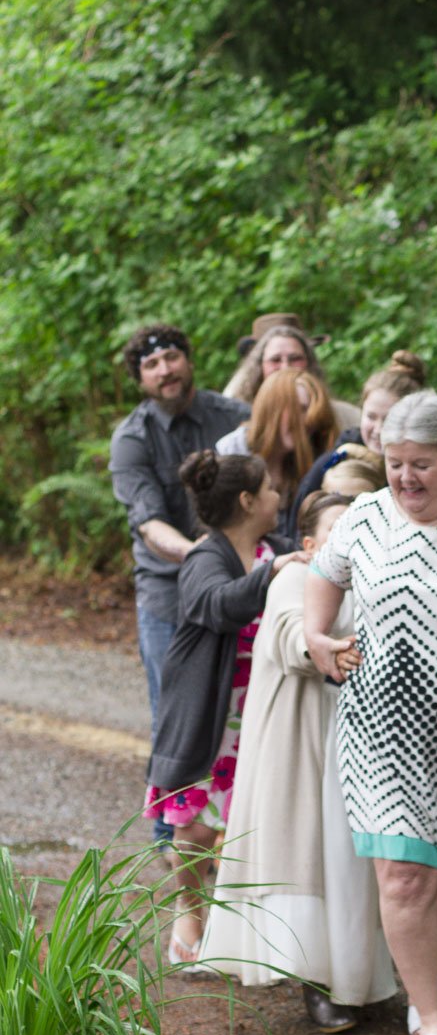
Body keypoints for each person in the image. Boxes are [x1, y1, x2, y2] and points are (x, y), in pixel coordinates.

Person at [304, 390, 437, 1035]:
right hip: (381, 726)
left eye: (421, 466)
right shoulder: (363, 517)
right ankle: (432, 1017)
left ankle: (418, 979)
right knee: (405, 878)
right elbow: (321, 582)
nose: (407, 479)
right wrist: (316, 637)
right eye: (394, 465)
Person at [200, 491, 396, 1030]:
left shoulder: (375, 581)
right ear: (310, 543)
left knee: (355, 867)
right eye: (336, 529)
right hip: (307, 742)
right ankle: (317, 981)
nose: (348, 540)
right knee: (315, 857)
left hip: (362, 744)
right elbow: (289, 635)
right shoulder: (294, 578)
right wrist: (327, 648)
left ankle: (362, 979)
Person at [145, 451, 307, 965]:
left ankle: (245, 934)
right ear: (247, 500)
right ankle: (190, 913)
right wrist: (272, 573)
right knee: (193, 829)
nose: (279, 498)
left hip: (262, 717)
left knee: (250, 827)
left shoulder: (274, 549)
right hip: (210, 717)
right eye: (271, 490)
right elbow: (217, 605)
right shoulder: (204, 558)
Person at [109, 325, 249, 843]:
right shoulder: (132, 437)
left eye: (171, 357)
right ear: (140, 378)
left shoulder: (233, 418)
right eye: (152, 364)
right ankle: (173, 840)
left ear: (189, 360)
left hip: (239, 589)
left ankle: (235, 834)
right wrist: (203, 557)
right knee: (176, 715)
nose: (165, 369)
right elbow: (147, 522)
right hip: (169, 594)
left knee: (240, 710)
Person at [290, 349, 426, 520]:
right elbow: (301, 514)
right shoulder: (336, 458)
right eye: (371, 417)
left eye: (390, 418)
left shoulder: (424, 468)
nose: (378, 429)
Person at [216, 369, 338, 537]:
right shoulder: (232, 453)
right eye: (300, 409)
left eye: (312, 411)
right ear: (272, 407)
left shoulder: (312, 458)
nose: (308, 420)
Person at [224, 316, 362, 431]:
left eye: (295, 358)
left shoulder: (345, 417)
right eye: (275, 360)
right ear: (259, 366)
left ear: (309, 362)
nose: (286, 367)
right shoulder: (234, 413)